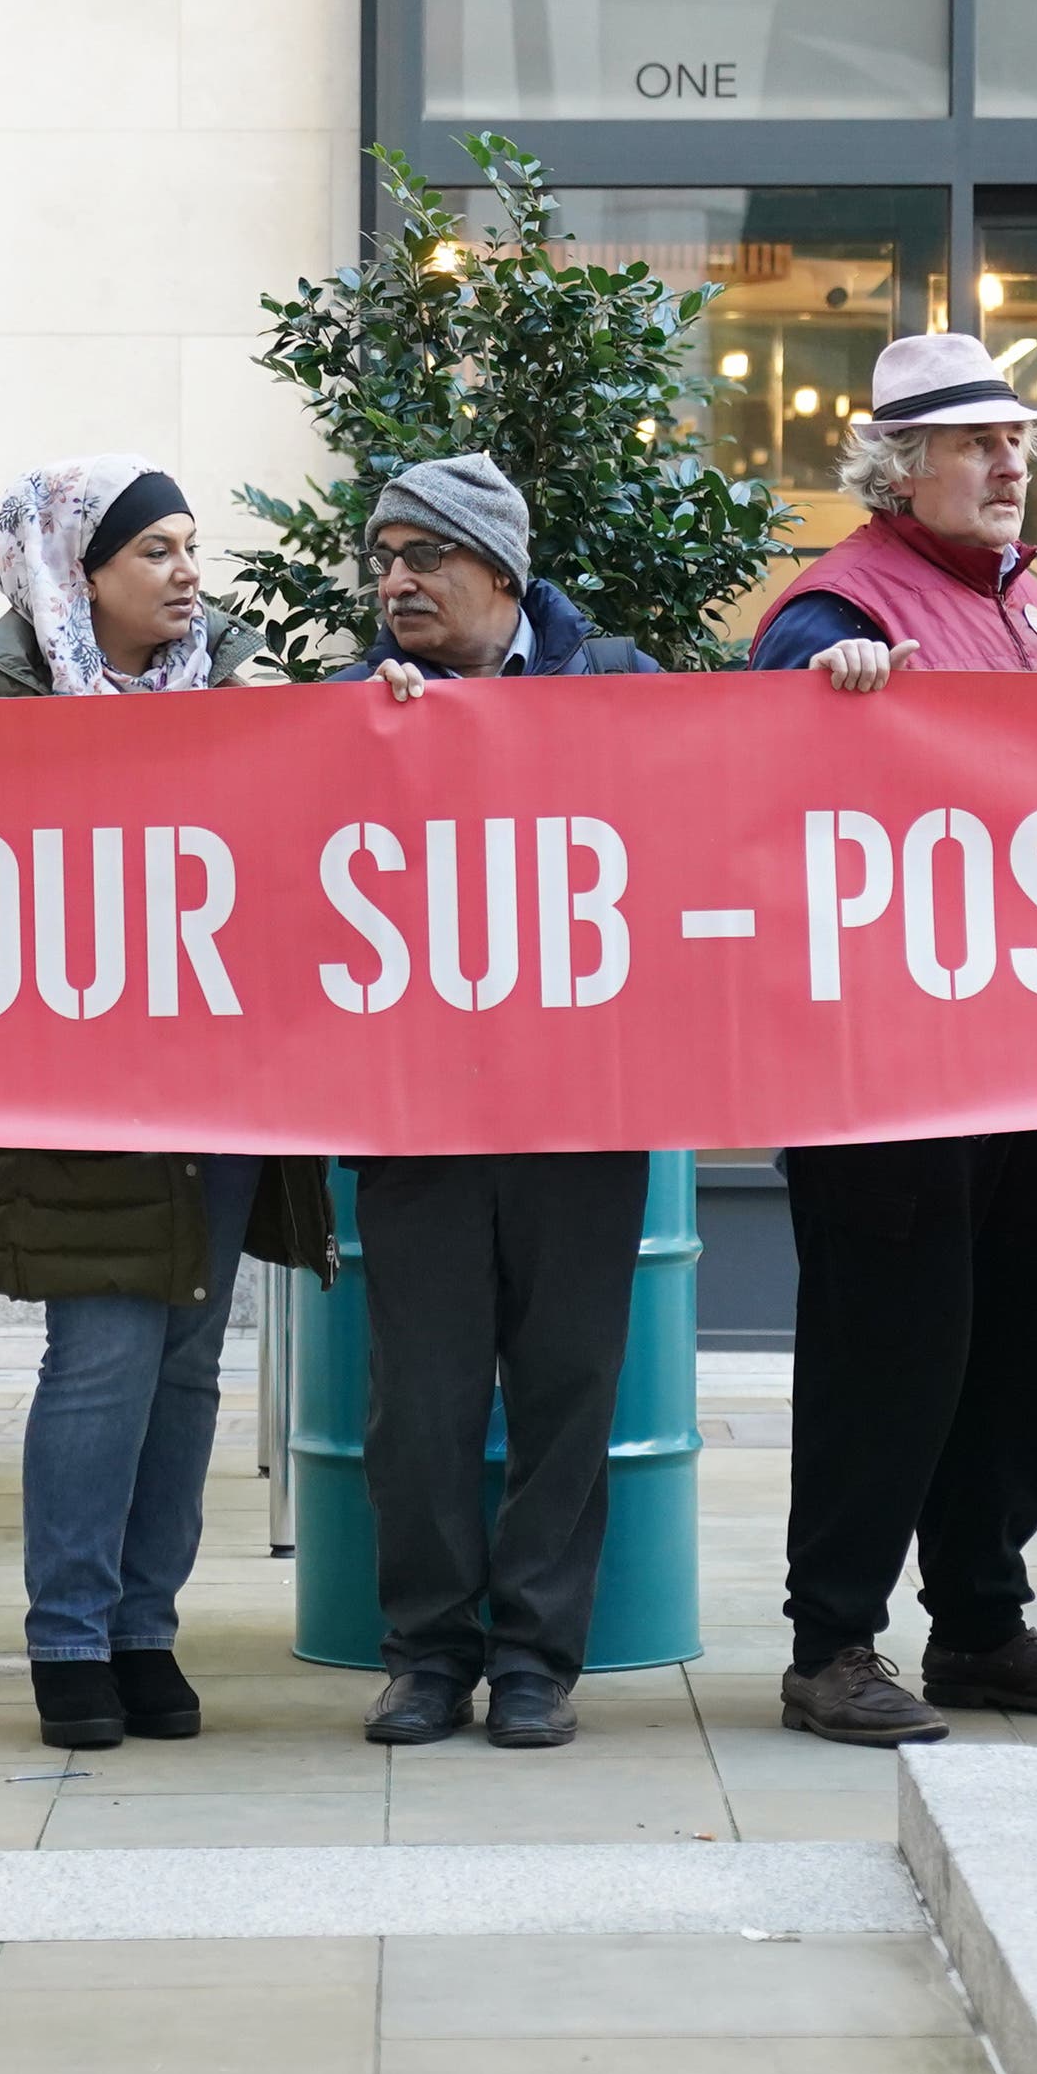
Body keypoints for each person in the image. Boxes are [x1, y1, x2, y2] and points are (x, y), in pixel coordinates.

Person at [747, 333, 1037, 1746]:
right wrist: (832, 678)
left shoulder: (1017, 606)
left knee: (1013, 1347)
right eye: (974, 444)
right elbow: (770, 731)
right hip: (883, 1071)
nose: (1005, 464)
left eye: (1014, 441)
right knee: (885, 1351)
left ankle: (979, 1622)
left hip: (1012, 1052)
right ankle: (830, 1644)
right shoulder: (834, 605)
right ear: (897, 465)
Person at [0, 457, 329, 1750]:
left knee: (188, 1368)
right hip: (77, 1096)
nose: (185, 572)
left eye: (189, 547)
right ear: (75, 570)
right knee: (98, 1363)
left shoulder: (233, 694)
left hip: (214, 1092)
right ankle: (67, 1640)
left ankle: (144, 1628)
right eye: (152, 549)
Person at [329, 454, 657, 1751]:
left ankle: (534, 1660)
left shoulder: (619, 688)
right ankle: (422, 1654)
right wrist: (365, 736)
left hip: (584, 1113)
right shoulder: (355, 704)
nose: (394, 579)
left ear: (500, 572)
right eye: (382, 558)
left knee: (569, 1386)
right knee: (418, 1398)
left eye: (423, 555)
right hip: (419, 1118)